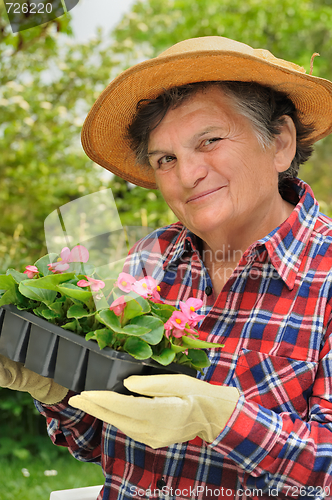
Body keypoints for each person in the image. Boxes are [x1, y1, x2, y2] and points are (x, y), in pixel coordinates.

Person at [1, 36, 332, 500]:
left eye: (210, 140)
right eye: (166, 159)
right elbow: (99, 442)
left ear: (279, 143)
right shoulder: (145, 260)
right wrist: (55, 388)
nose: (187, 174)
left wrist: (221, 419)